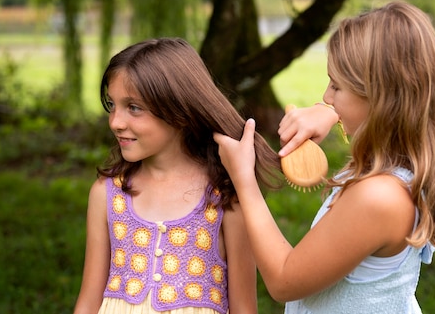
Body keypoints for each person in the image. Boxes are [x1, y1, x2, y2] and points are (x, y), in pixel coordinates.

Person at [213, 1, 435, 314]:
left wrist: (245, 182)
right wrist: (330, 113)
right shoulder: (398, 171)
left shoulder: (378, 197)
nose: (325, 96)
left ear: (379, 98)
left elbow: (283, 279)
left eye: (336, 86)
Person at [73, 38, 282, 314]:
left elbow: (244, 308)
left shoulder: (225, 198)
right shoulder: (108, 194)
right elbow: (88, 302)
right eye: (112, 105)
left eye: (133, 108)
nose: (115, 122)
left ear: (179, 111)